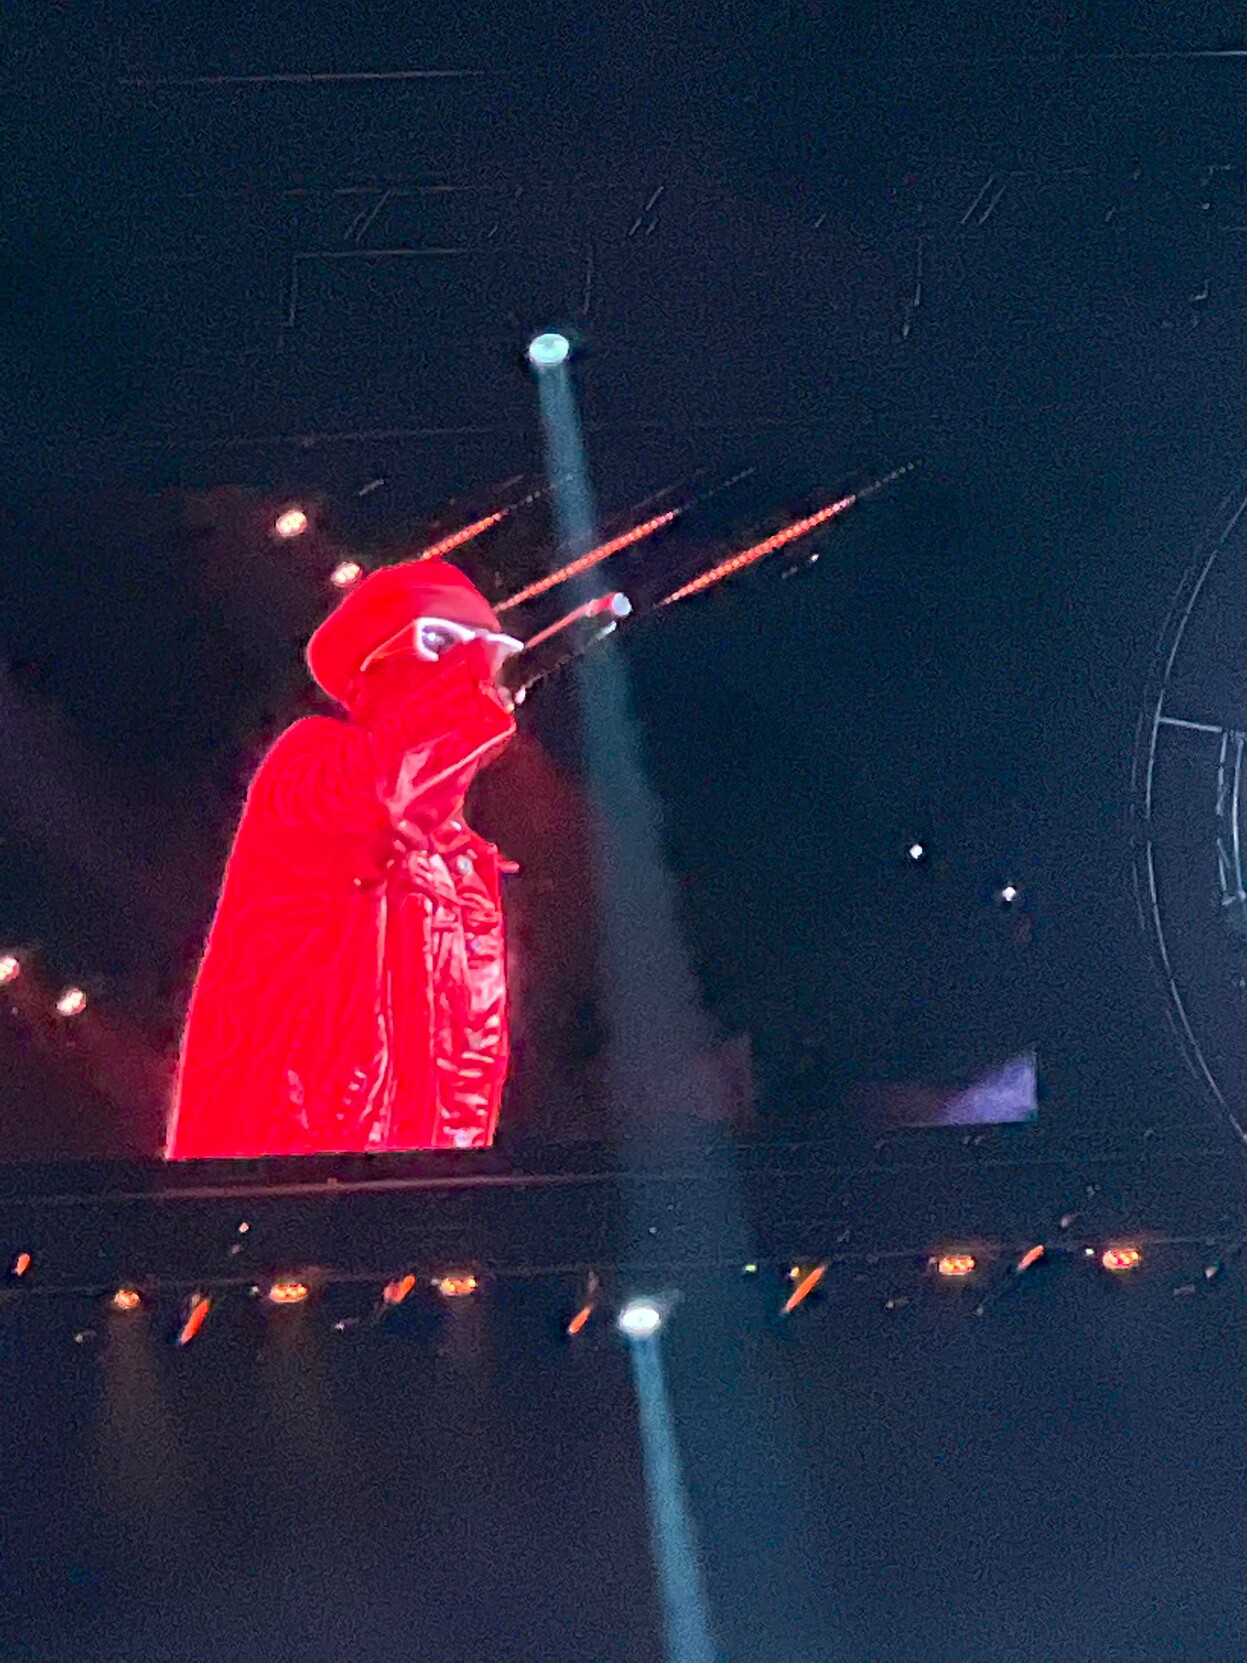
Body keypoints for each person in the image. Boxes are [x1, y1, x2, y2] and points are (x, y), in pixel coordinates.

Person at [164, 558, 521, 1158]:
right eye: (441, 644)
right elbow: (381, 798)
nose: (470, 673)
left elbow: (460, 1057)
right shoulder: (312, 758)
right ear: (370, 664)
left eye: (484, 656)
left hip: (409, 1172)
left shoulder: (457, 856)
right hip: (293, 1148)